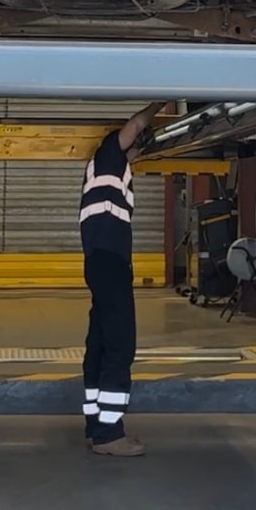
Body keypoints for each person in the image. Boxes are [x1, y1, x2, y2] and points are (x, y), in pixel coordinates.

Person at [79, 103, 163, 457]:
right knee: (119, 343)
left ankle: (97, 424)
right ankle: (110, 434)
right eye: (138, 142)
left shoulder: (112, 169)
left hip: (102, 261)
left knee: (100, 342)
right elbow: (134, 123)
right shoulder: (109, 154)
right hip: (109, 261)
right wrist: (162, 101)